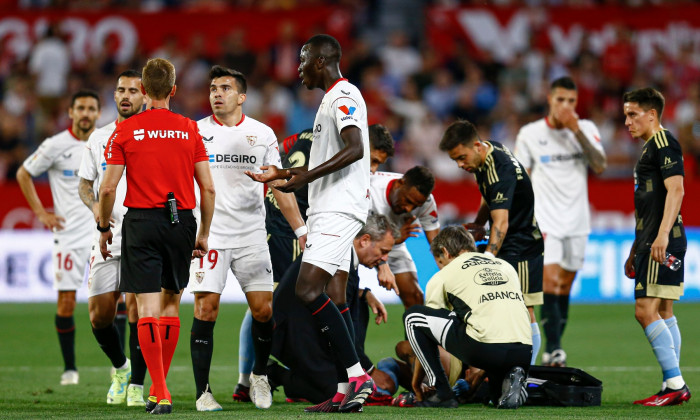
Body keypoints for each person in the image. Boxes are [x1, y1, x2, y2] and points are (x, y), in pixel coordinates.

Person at [246, 34, 378, 413]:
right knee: (334, 298)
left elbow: (355, 149)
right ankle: (341, 388)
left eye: (302, 60)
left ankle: (357, 374)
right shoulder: (329, 101)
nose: (298, 68)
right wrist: (286, 172)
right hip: (328, 208)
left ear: (320, 61)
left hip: (338, 210)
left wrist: (304, 178)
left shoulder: (344, 96)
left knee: (306, 290)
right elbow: (333, 157)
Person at [97, 58, 216, 415]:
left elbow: (106, 190)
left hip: (142, 222)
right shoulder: (190, 129)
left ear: (144, 90)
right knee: (169, 306)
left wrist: (104, 228)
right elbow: (208, 189)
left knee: (145, 308)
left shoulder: (126, 131)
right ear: (174, 91)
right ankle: (159, 389)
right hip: (181, 222)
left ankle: (160, 392)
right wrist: (204, 234)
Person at [188, 65, 306, 411]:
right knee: (205, 310)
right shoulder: (195, 133)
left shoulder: (262, 134)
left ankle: (258, 376)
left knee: (264, 310)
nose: (216, 93)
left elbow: (278, 185)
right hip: (210, 237)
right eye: (212, 88)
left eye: (225, 88)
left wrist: (301, 229)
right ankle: (202, 392)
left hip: (252, 235)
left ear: (241, 97)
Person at [513, 76, 607, 366]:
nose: (566, 106)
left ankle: (554, 346)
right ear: (550, 100)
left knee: (565, 284)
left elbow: (600, 165)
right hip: (545, 219)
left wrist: (576, 130)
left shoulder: (586, 129)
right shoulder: (530, 133)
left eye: (571, 101)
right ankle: (554, 348)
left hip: (577, 220)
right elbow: (521, 177)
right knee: (550, 280)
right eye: (561, 100)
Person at [440, 120, 544, 366]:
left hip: (523, 245)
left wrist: (486, 258)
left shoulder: (500, 167)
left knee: (524, 310)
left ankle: (524, 373)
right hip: (509, 241)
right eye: (455, 160)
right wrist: (478, 223)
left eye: (462, 158)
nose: (460, 165)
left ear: (476, 146)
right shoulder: (488, 152)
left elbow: (501, 223)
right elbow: (493, 197)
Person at [16, 89, 100, 386]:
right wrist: (41, 213)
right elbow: (23, 173)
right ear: (71, 112)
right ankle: (70, 368)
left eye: (91, 108)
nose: (86, 113)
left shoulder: (105, 142)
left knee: (116, 303)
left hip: (104, 234)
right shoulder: (55, 145)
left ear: (98, 113)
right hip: (68, 237)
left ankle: (121, 369)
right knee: (66, 303)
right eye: (81, 108)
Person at [268, 214, 395, 405]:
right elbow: (341, 319)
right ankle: (276, 373)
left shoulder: (342, 250)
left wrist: (365, 294)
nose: (384, 259)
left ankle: (302, 376)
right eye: (383, 251)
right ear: (365, 240)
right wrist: (368, 370)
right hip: (293, 331)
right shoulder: (342, 260)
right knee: (335, 393)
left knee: (357, 304)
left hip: (301, 325)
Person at [77, 70, 147, 406]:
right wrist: (95, 209)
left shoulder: (153, 136)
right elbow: (85, 184)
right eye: (121, 90)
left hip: (142, 235)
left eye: (133, 90)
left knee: (136, 311)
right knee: (99, 316)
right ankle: (121, 367)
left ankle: (135, 385)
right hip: (106, 235)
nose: (125, 96)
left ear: (145, 96)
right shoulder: (99, 137)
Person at [404, 226, 532, 409]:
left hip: (486, 350)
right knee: (494, 398)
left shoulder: (443, 276)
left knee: (413, 317)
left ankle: (442, 393)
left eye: (439, 261)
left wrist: (416, 383)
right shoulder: (506, 267)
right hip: (523, 352)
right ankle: (507, 382)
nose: (440, 266)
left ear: (445, 252)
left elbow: (428, 330)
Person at [622, 88, 691, 406]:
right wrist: (635, 247)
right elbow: (649, 203)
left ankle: (676, 384)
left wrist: (661, 237)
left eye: (633, 114)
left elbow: (676, 190)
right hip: (651, 240)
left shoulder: (664, 142)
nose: (627, 121)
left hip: (661, 241)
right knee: (663, 310)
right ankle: (671, 384)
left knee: (644, 311)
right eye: (625, 114)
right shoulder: (651, 147)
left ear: (652, 114)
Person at [369, 165, 439, 308]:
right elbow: (357, 236)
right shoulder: (370, 189)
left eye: (415, 206)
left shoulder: (426, 202)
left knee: (415, 297)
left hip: (393, 243)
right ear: (399, 184)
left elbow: (438, 245)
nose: (408, 209)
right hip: (357, 241)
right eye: (407, 200)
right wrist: (382, 264)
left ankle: (416, 330)